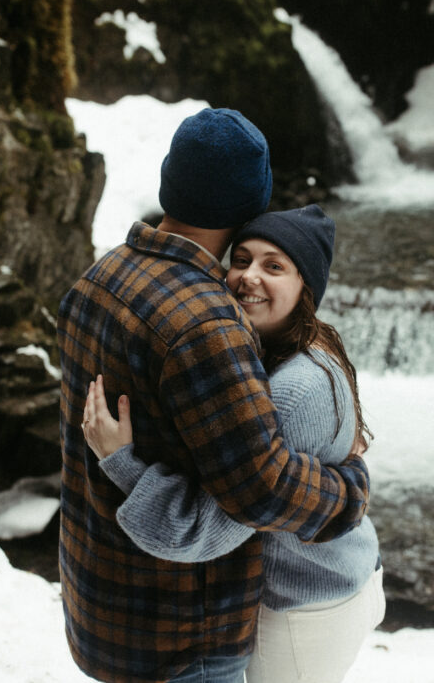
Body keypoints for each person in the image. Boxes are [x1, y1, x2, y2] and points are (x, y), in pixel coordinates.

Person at [57, 108, 371, 683]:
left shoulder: (95, 281)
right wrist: (348, 493)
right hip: (179, 632)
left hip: (94, 600)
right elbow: (260, 489)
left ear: (169, 181)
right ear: (250, 204)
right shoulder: (207, 323)